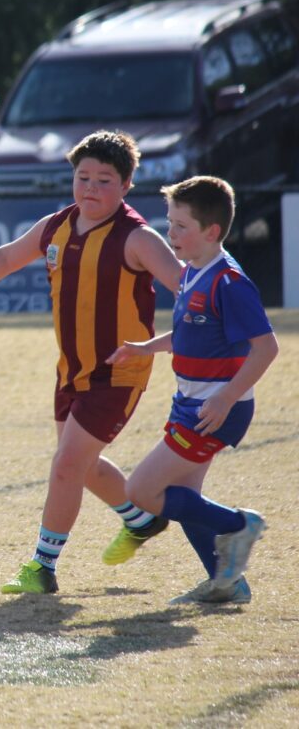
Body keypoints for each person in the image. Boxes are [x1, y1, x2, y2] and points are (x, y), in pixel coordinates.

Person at [0, 131, 183, 594]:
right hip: (72, 371)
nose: (91, 188)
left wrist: (175, 340)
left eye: (104, 180)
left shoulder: (138, 238)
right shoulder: (57, 226)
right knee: (82, 465)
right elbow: (6, 257)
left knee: (66, 465)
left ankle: (42, 566)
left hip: (119, 372)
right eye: (83, 177)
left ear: (126, 186)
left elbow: (191, 291)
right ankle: (141, 520)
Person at [107, 176, 277, 605]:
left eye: (181, 226)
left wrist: (225, 397)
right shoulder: (190, 273)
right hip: (191, 403)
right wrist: (146, 347)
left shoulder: (229, 282)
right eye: (170, 223)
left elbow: (266, 348)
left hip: (214, 409)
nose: (171, 233)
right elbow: (188, 332)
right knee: (184, 498)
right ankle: (227, 583)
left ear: (212, 231)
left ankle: (239, 525)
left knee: (141, 492)